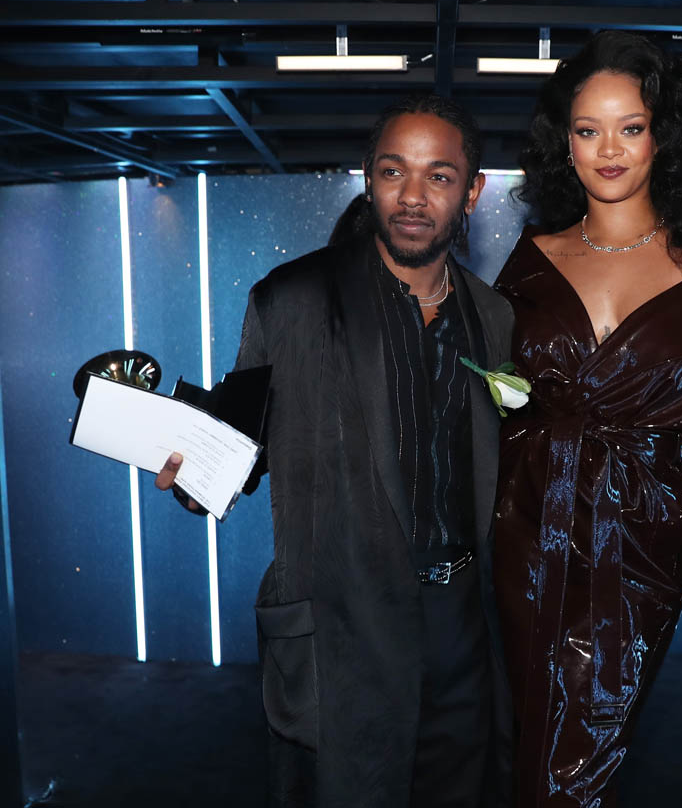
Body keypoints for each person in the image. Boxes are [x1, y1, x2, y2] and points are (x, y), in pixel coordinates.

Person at [156, 96, 514, 808]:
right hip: (341, 630)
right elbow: (240, 449)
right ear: (368, 177)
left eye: (439, 176)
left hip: (464, 629)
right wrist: (195, 475)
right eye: (393, 171)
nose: (413, 196)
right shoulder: (290, 299)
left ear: (472, 191)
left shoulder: (495, 316)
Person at [491, 30, 682, 806]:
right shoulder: (530, 257)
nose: (608, 149)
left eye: (630, 127)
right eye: (587, 129)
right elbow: (490, 389)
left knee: (583, 748)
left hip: (635, 538)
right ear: (563, 142)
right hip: (519, 524)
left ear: (665, 136)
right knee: (516, 737)